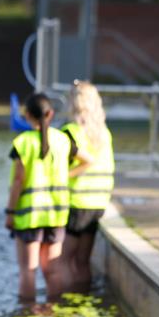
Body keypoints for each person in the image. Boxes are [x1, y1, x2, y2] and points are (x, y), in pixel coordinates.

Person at [5, 93, 82, 302]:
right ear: (51, 114)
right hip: (56, 215)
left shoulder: (22, 143)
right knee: (53, 270)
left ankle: (27, 315)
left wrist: (10, 212)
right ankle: (53, 312)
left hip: (29, 217)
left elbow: (18, 182)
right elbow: (86, 160)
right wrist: (67, 175)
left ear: (27, 115)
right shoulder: (64, 140)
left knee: (28, 270)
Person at [61, 81, 115, 291]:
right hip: (98, 203)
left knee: (62, 260)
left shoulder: (71, 132)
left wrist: (62, 177)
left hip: (78, 203)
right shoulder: (104, 133)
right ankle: (83, 301)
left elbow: (84, 162)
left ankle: (61, 304)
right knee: (83, 261)